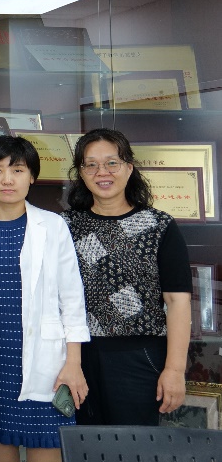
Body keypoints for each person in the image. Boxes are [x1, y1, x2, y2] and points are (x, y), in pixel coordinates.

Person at [0, 135, 89, 462]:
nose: (7, 179)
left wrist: (73, 364)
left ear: (32, 176)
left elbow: (72, 299)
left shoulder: (53, 226)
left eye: (17, 170)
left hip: (46, 368)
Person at [63, 128, 191, 426]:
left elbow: (178, 302)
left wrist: (174, 370)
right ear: (80, 173)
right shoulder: (65, 226)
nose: (102, 172)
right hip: (76, 357)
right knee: (81, 448)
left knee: (133, 448)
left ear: (129, 168)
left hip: (140, 356)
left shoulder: (158, 226)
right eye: (91, 164)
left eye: (112, 163)